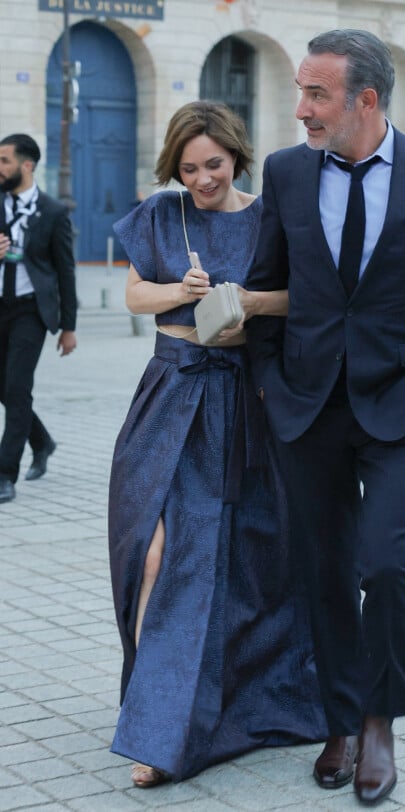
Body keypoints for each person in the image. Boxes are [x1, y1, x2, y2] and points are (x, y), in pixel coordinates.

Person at [245, 29, 405, 806]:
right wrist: (265, 377)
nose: (301, 110)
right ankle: (339, 722)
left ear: (366, 99)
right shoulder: (287, 174)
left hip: (403, 403)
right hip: (306, 407)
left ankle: (380, 719)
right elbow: (266, 282)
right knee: (323, 570)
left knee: (385, 567)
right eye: (299, 91)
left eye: (317, 94)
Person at [108, 101, 326, 789]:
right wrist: (182, 288)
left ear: (236, 155)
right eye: (189, 166)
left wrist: (249, 302)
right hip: (171, 394)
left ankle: (231, 707)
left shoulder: (270, 215)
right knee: (152, 555)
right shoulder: (161, 214)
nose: (202, 178)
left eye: (214, 164)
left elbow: (307, 298)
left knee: (250, 560)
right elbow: (134, 296)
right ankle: (155, 720)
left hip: (246, 399)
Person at [0, 134, 77, 504]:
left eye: (4, 160)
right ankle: (42, 441)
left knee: (16, 388)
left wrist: (69, 327)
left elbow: (66, 272)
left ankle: (4, 474)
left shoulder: (53, 211)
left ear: (26, 165)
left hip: (31, 311)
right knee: (5, 389)